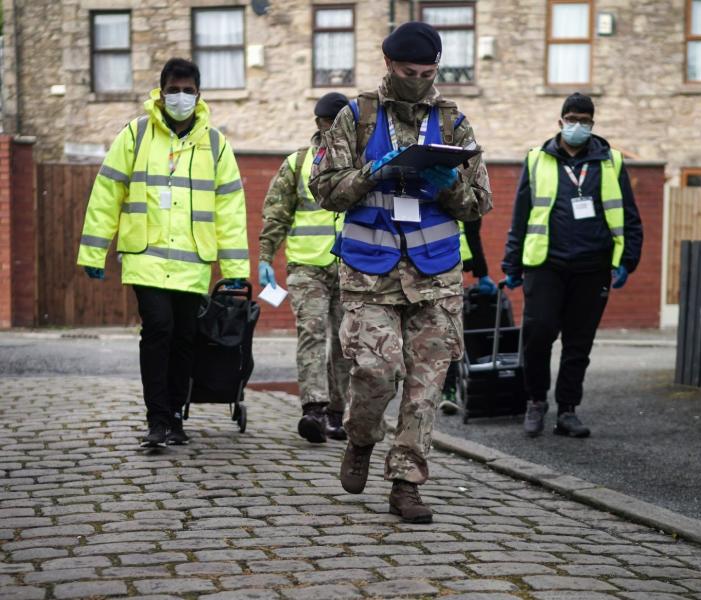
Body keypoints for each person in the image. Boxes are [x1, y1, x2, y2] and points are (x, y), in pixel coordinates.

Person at [311, 21, 492, 523]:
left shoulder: (454, 123)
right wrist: (375, 172)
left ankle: (406, 482)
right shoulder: (356, 117)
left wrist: (448, 184)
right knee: (375, 370)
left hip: (436, 276)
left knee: (425, 386)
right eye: (409, 71)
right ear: (389, 64)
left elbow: (479, 203)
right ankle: (361, 438)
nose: (420, 80)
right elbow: (323, 189)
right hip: (370, 275)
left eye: (429, 72)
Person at [77, 58, 249, 448]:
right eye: (175, 89)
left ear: (200, 94)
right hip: (146, 257)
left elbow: (231, 210)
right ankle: (156, 418)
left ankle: (174, 416)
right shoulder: (136, 136)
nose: (182, 97)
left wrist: (236, 266)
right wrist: (93, 251)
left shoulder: (216, 145)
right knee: (158, 330)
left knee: (185, 337)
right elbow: (107, 194)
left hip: (191, 262)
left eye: (189, 90)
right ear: (161, 91)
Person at [502, 93, 643, 439]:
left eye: (584, 120)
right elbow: (521, 215)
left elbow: (630, 216)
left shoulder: (611, 161)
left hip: (593, 266)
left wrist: (628, 260)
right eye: (571, 119)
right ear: (560, 121)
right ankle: (536, 401)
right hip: (545, 264)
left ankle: (568, 410)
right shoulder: (537, 160)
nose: (577, 126)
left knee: (579, 342)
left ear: (593, 124)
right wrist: (511, 262)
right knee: (538, 335)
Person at [258, 93, 352, 444]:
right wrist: (266, 258)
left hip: (351, 266)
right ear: (321, 124)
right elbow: (276, 213)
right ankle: (313, 408)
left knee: (346, 342)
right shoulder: (298, 164)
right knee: (312, 334)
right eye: (334, 123)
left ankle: (336, 413)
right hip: (307, 266)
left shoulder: (360, 163)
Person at [440, 217, 496, 415]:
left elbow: (472, 231)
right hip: (424, 266)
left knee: (449, 333)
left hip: (451, 271)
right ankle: (441, 390)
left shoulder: (464, 191)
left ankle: (448, 391)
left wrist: (482, 272)